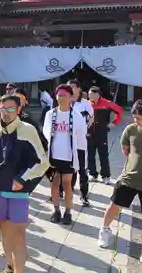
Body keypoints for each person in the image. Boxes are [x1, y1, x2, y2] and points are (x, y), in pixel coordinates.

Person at [0, 94, 49, 273]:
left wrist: (22, 178)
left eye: (11, 108)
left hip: (19, 193)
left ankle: (19, 270)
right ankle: (9, 264)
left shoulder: (28, 130)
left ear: (19, 109)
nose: (6, 112)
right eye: (3, 109)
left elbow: (42, 162)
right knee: (4, 231)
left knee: (18, 235)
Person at [98, 100, 142, 248]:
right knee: (115, 205)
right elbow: (126, 151)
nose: (137, 121)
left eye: (140, 118)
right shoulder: (130, 130)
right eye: (135, 118)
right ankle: (104, 230)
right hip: (129, 178)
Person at [43, 85, 87, 224]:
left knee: (67, 184)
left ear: (70, 97)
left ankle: (68, 212)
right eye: (59, 95)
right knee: (54, 184)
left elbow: (81, 137)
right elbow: (45, 134)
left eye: (64, 95)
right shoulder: (50, 114)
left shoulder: (76, 115)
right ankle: (56, 210)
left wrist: (81, 161)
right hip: (53, 156)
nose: (61, 98)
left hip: (69, 156)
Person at [88, 86, 123, 184]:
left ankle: (106, 176)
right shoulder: (87, 104)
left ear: (97, 94)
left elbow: (119, 110)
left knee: (103, 155)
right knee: (90, 154)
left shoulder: (107, 103)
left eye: (91, 94)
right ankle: (92, 174)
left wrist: (114, 123)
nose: (89, 96)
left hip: (102, 133)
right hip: (89, 133)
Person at [67, 79, 94, 206]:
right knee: (69, 168)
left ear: (78, 88)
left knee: (82, 169)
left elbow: (91, 119)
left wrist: (83, 129)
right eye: (68, 87)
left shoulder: (85, 104)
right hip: (67, 140)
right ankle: (68, 192)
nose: (71, 89)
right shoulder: (65, 103)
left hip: (81, 141)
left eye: (73, 87)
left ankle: (84, 196)